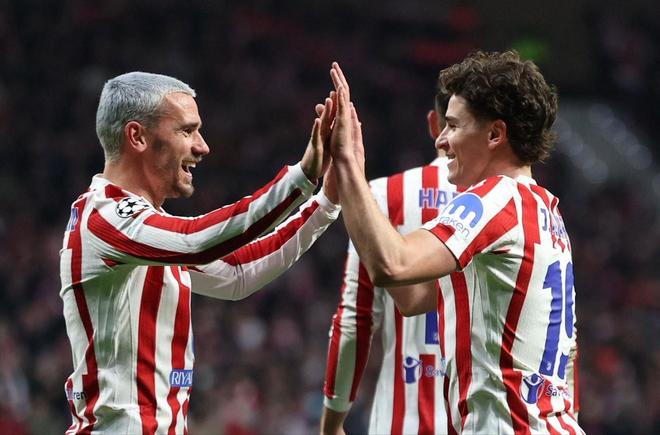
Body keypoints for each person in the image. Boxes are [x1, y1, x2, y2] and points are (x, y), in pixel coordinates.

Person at [59, 71, 340, 434]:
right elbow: (197, 241)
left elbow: (238, 273)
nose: (202, 147)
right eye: (186, 131)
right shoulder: (105, 216)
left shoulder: (146, 234)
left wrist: (326, 202)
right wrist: (302, 175)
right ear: (137, 137)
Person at [326, 52, 583, 434]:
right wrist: (363, 198)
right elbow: (412, 297)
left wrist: (349, 164)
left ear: (495, 134)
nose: (442, 141)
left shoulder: (495, 199)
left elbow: (392, 265)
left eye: (453, 125)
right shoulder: (546, 211)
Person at [321, 90, 457, 435]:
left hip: (401, 421)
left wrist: (332, 422)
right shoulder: (511, 206)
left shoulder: (381, 196)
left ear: (435, 125)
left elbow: (355, 319)